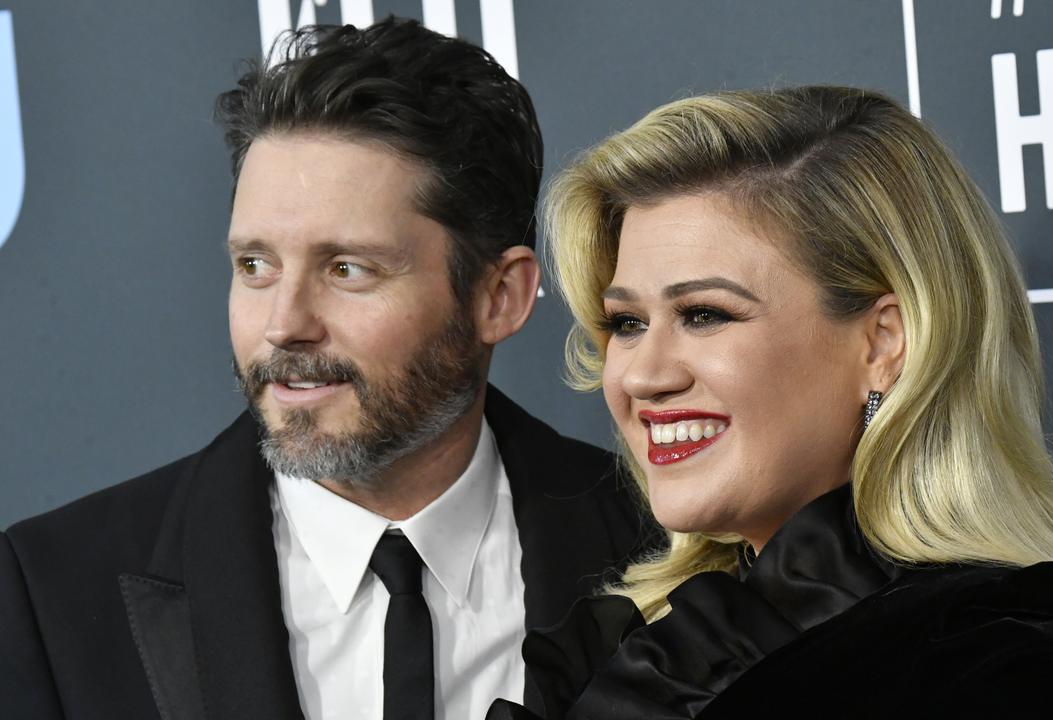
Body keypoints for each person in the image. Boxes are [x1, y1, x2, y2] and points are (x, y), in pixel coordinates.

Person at [0, 18, 652, 720]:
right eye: (255, 265)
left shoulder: (665, 554)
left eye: (347, 269)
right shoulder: (53, 591)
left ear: (500, 297)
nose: (284, 324)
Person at [487, 86, 1053, 720]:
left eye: (704, 314)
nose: (643, 375)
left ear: (884, 343)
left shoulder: (1018, 677)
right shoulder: (632, 650)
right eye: (627, 324)